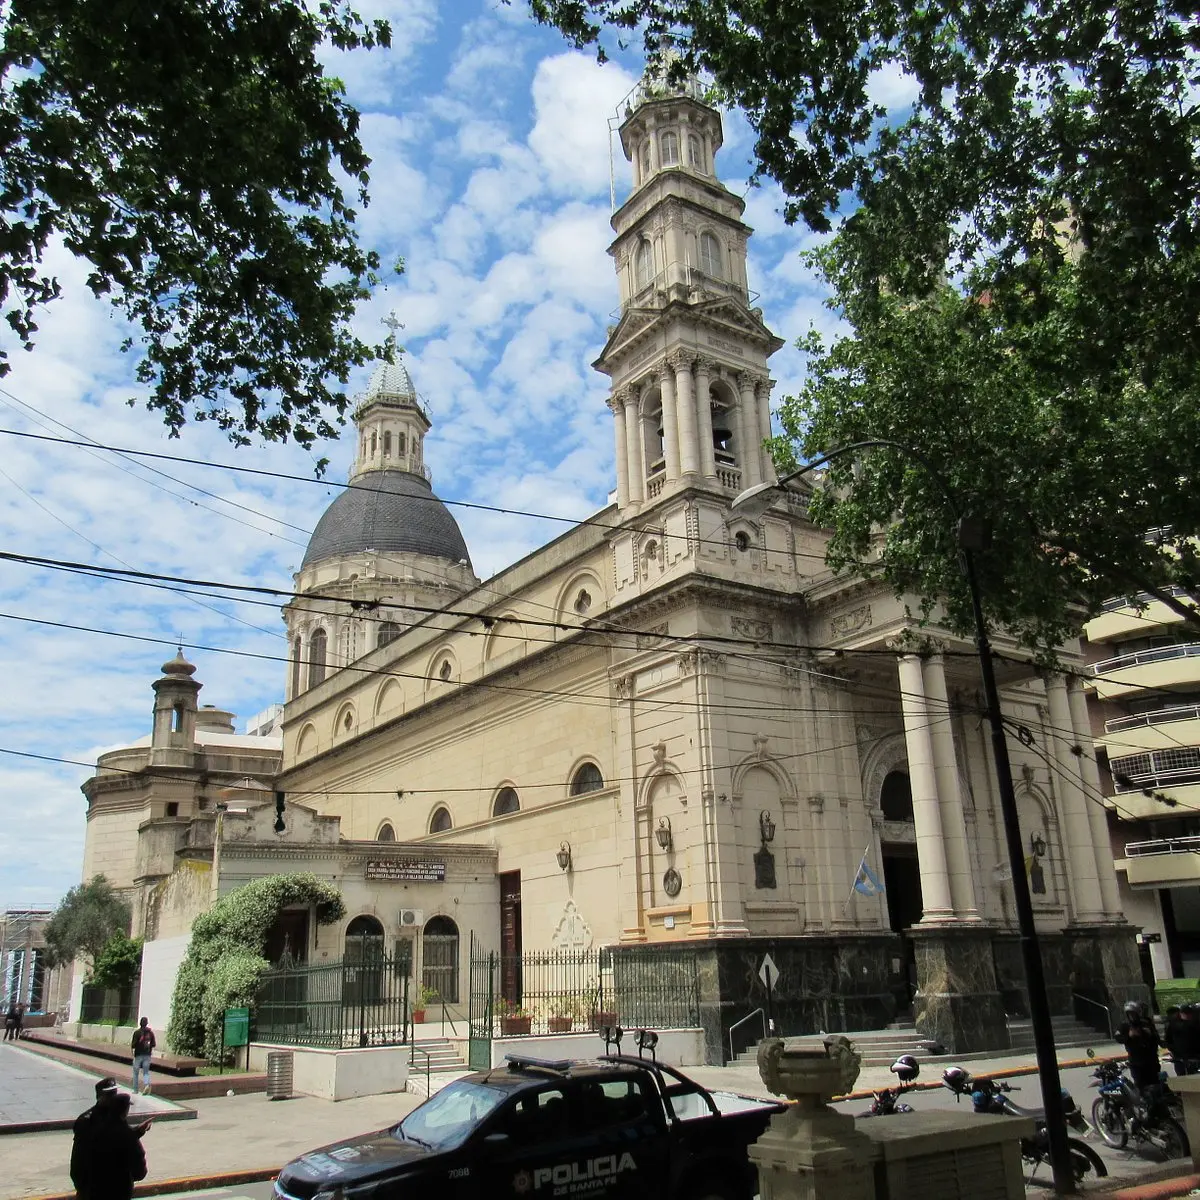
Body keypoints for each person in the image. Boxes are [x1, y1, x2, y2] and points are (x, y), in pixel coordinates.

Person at [76, 1092, 148, 1200]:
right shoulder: (127, 1135)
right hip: (118, 1192)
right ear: (125, 1110)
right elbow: (139, 1172)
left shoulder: (96, 1129)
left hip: (94, 1191)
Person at [1116, 999, 1162, 1090]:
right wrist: (1129, 1036)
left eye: (1133, 1014)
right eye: (1129, 1014)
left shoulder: (1146, 1023)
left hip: (1151, 1061)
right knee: (1140, 1085)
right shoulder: (1125, 1026)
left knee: (1155, 1085)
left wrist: (1148, 1033)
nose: (1132, 1017)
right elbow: (1118, 1038)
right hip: (1136, 1062)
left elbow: (1156, 1038)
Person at [130, 1018, 155, 1095]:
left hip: (138, 1055)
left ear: (140, 1023)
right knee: (146, 1072)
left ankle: (135, 1090)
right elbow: (153, 1044)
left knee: (135, 1072)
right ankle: (147, 1085)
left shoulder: (137, 1033)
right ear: (147, 1023)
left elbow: (133, 1045)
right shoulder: (150, 1033)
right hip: (147, 1055)